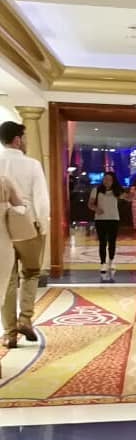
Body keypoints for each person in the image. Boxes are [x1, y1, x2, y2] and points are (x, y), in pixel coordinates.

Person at [0, 120, 49, 350]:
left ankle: (9, 334)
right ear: (18, 140)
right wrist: (43, 225)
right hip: (28, 224)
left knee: (7, 279)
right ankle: (25, 319)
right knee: (31, 272)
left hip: (2, 227)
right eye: (25, 137)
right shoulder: (31, 164)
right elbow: (41, 198)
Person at [0, 175, 26, 349]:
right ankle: (10, 332)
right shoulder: (3, 181)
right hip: (2, 244)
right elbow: (21, 208)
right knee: (3, 292)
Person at [88, 171, 124, 278]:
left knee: (112, 241)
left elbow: (128, 197)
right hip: (100, 219)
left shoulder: (117, 191)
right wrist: (96, 209)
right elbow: (90, 204)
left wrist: (133, 194)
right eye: (105, 179)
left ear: (113, 181)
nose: (107, 181)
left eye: (109, 179)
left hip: (114, 219)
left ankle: (111, 261)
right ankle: (103, 263)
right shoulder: (96, 190)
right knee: (102, 242)